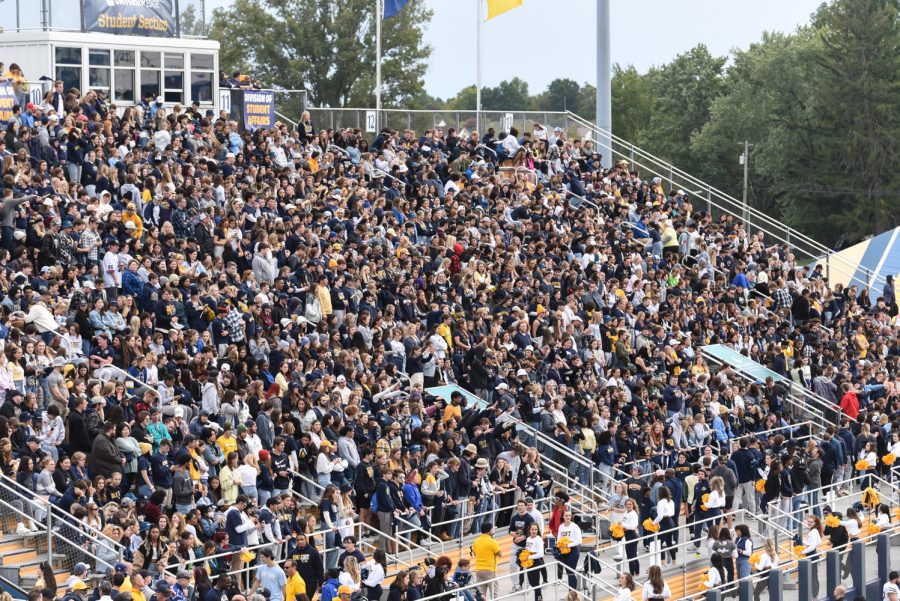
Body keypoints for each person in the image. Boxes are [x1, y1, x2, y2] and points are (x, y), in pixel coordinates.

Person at [472, 522, 500, 600]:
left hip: (478, 570)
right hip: (489, 570)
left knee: (481, 594)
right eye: (492, 528)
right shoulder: (492, 541)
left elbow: (475, 553)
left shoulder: (476, 541)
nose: (493, 530)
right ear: (488, 531)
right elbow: (499, 554)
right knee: (494, 592)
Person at [556, 509, 582, 590]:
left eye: (569, 515)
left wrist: (568, 545)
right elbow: (558, 539)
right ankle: (571, 593)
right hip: (564, 551)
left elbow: (579, 541)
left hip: (573, 551)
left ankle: (572, 594)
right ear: (563, 517)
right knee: (568, 572)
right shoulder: (561, 526)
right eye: (566, 515)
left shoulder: (575, 526)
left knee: (570, 572)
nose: (568, 517)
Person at [522, 522, 545, 601]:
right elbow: (527, 549)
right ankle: (540, 598)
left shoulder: (538, 539)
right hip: (529, 563)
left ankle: (538, 599)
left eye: (536, 529)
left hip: (536, 562)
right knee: (532, 583)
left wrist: (529, 556)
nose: (534, 531)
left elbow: (541, 554)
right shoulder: (528, 539)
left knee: (536, 584)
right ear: (529, 530)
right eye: (532, 529)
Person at [622, 497, 640, 577]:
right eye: (627, 504)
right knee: (633, 556)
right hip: (628, 536)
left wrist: (622, 525)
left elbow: (632, 526)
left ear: (633, 505)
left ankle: (632, 574)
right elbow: (624, 522)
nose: (628, 506)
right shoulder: (626, 513)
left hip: (632, 536)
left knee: (630, 557)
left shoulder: (633, 514)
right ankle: (636, 573)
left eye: (630, 504)